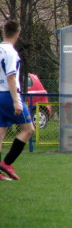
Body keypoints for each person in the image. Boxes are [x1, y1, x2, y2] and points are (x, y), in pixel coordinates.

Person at [0, 20, 35, 180]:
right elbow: (11, 77)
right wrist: (16, 101)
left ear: (3, 31)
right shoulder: (11, 52)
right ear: (18, 34)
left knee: (0, 132)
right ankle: (7, 163)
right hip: (8, 94)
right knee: (29, 129)